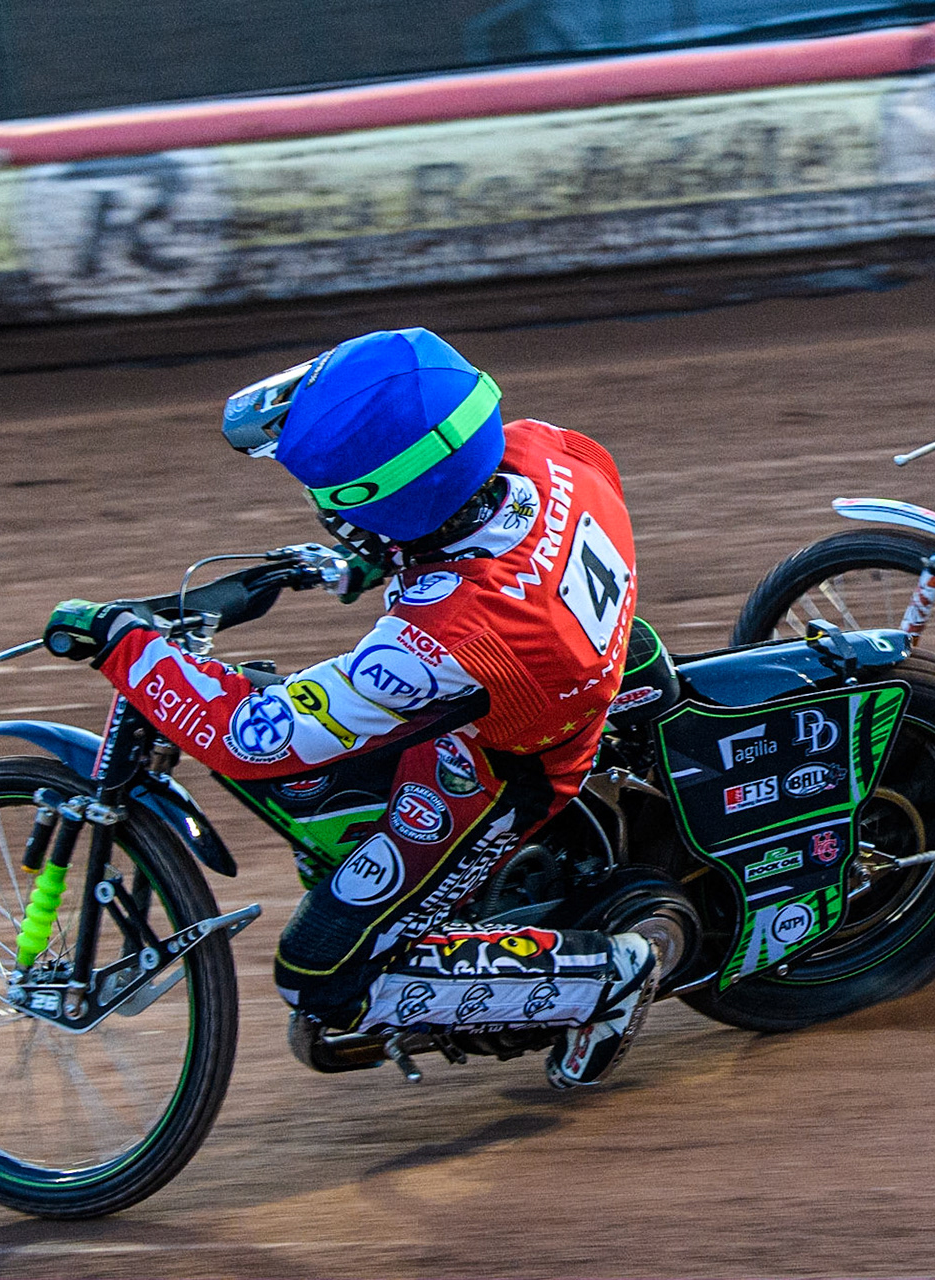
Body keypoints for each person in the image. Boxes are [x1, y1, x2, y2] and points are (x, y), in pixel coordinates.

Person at [39, 327, 658, 1090]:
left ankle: (604, 979)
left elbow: (249, 739)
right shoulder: (547, 450)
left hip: (502, 764)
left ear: (393, 495)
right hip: (590, 646)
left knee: (317, 975)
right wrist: (377, 553)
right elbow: (466, 525)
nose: (315, 502)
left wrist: (123, 645)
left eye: (330, 492)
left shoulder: (444, 640)